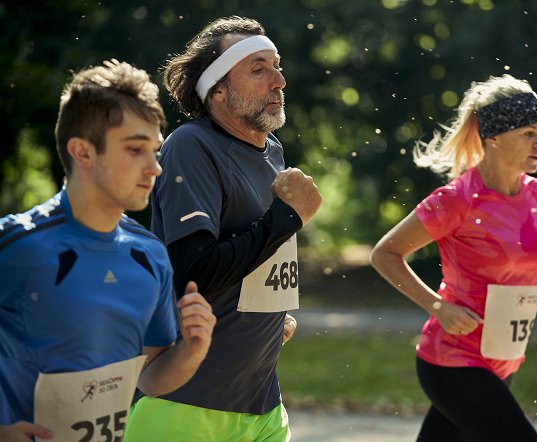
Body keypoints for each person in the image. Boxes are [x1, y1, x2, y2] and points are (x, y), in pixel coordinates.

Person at [370, 74, 537, 441]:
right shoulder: (458, 199)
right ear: (494, 136)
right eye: (529, 133)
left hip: (503, 360)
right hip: (453, 359)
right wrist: (437, 306)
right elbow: (385, 254)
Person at [124, 16, 322, 442]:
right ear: (216, 91)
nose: (280, 80)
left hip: (263, 404)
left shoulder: (272, 151)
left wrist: (268, 315)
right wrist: (288, 217)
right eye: (258, 69)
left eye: (277, 65)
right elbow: (194, 269)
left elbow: (254, 261)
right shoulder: (191, 145)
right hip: (187, 406)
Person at [0, 59, 216, 442]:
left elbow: (151, 376)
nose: (155, 168)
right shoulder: (19, 244)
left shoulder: (149, 254)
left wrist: (192, 353)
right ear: (82, 152)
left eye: (155, 150)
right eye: (135, 150)